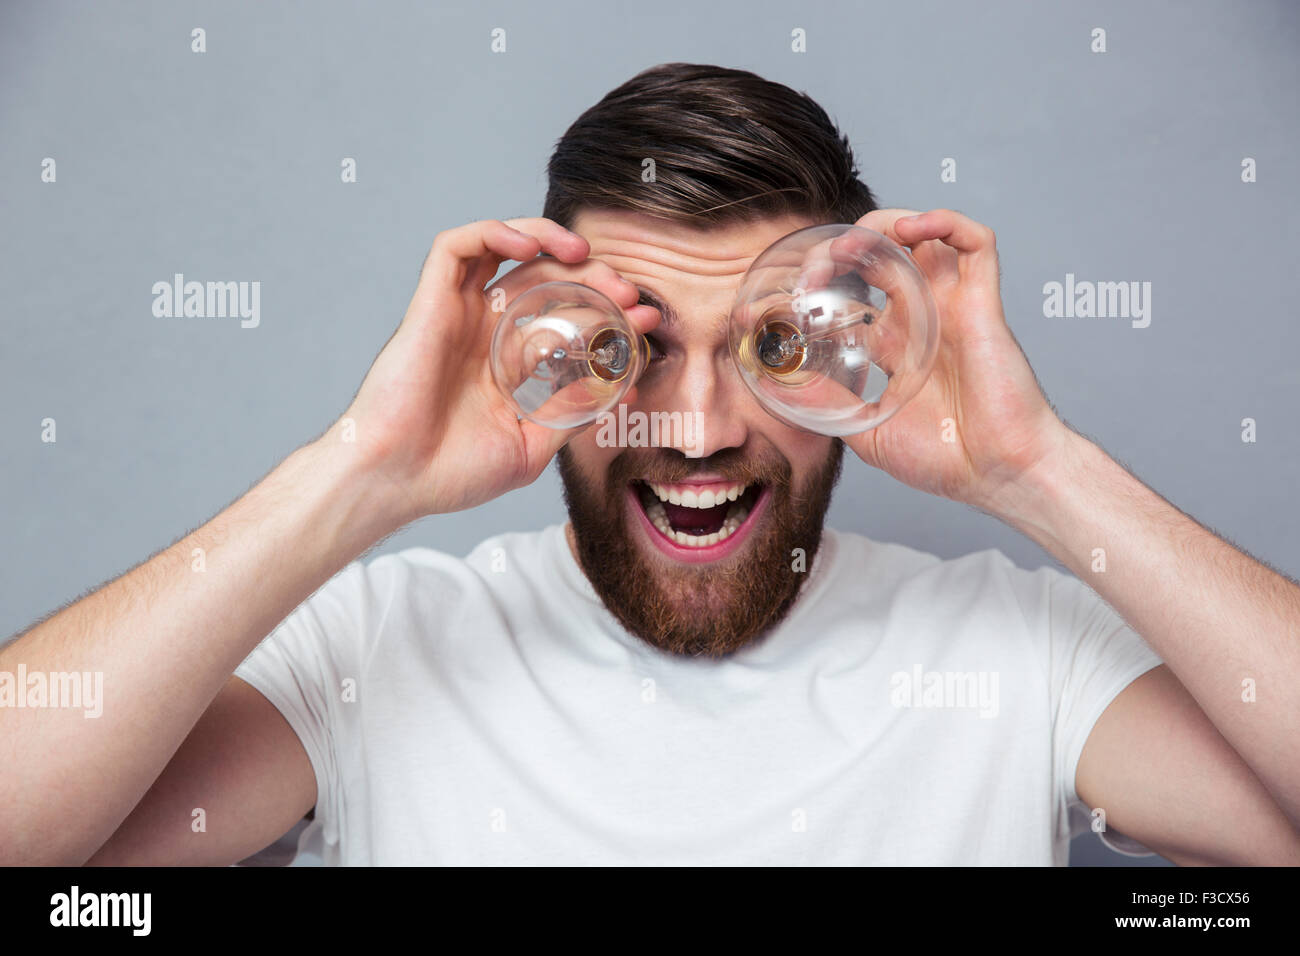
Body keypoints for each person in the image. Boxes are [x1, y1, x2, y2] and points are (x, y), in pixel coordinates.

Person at [3, 63, 1298, 866]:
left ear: (859, 357)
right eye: (631, 348)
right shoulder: (381, 646)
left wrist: (1034, 470)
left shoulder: (1014, 654)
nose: (692, 432)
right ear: (551, 352)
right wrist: (361, 469)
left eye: (774, 344)